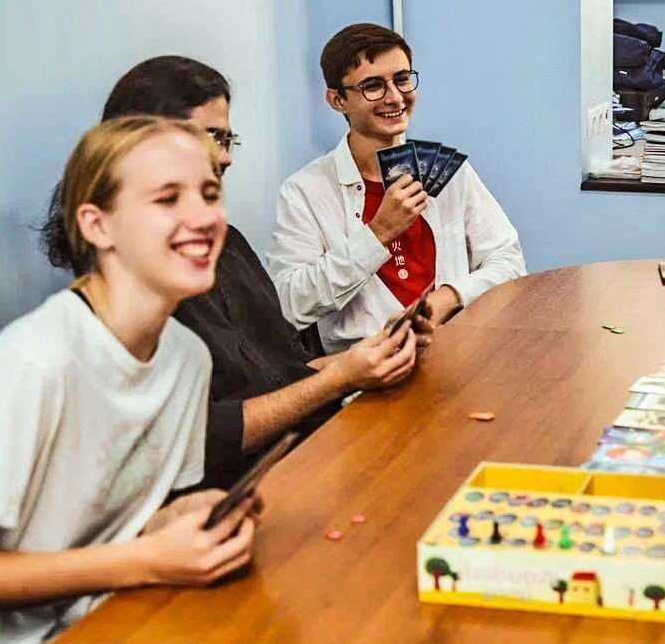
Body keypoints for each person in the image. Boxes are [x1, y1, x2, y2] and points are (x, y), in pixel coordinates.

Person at [0, 117, 260, 644]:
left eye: (209, 193)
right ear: (97, 224)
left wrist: (190, 519)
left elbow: (138, 514)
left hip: (77, 628)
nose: (204, 216)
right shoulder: (29, 366)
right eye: (168, 198)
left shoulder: (188, 357)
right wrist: (142, 560)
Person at [72, 56, 423, 487]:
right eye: (211, 138)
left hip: (310, 452)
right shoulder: (108, 308)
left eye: (228, 140)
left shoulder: (228, 244)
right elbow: (201, 439)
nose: (225, 159)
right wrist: (341, 376)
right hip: (256, 484)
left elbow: (279, 372)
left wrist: (364, 359)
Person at [267, 23, 526, 352]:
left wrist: (449, 297)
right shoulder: (304, 192)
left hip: (459, 355)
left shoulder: (449, 173)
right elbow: (289, 306)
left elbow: (509, 263)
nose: (395, 97)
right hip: (365, 375)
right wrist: (377, 234)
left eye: (402, 79)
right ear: (337, 100)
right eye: (373, 86)